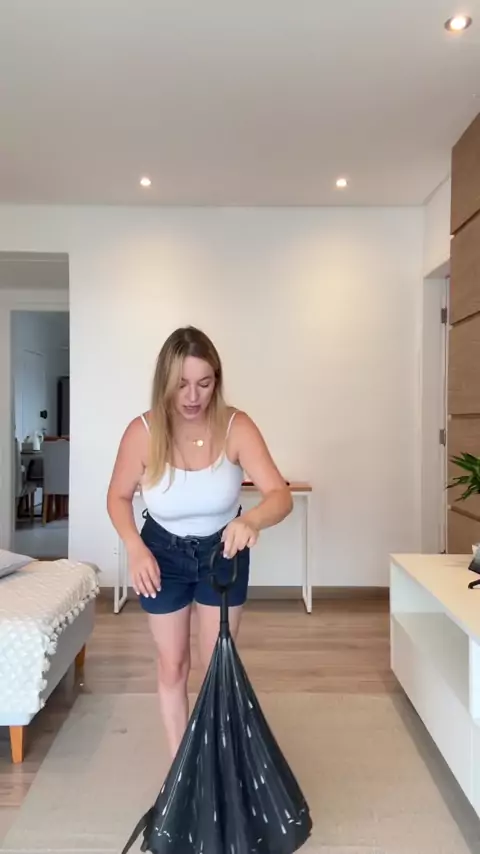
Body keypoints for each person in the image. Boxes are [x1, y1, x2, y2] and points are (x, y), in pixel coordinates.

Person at [107, 326, 292, 756]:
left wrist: (253, 521)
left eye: (204, 384)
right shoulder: (142, 432)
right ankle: (181, 766)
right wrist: (134, 547)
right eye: (182, 384)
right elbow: (117, 497)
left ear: (217, 381)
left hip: (222, 553)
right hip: (160, 554)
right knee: (173, 664)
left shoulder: (237, 426)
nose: (193, 396)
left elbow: (280, 495)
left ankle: (212, 760)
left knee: (215, 670)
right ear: (165, 382)